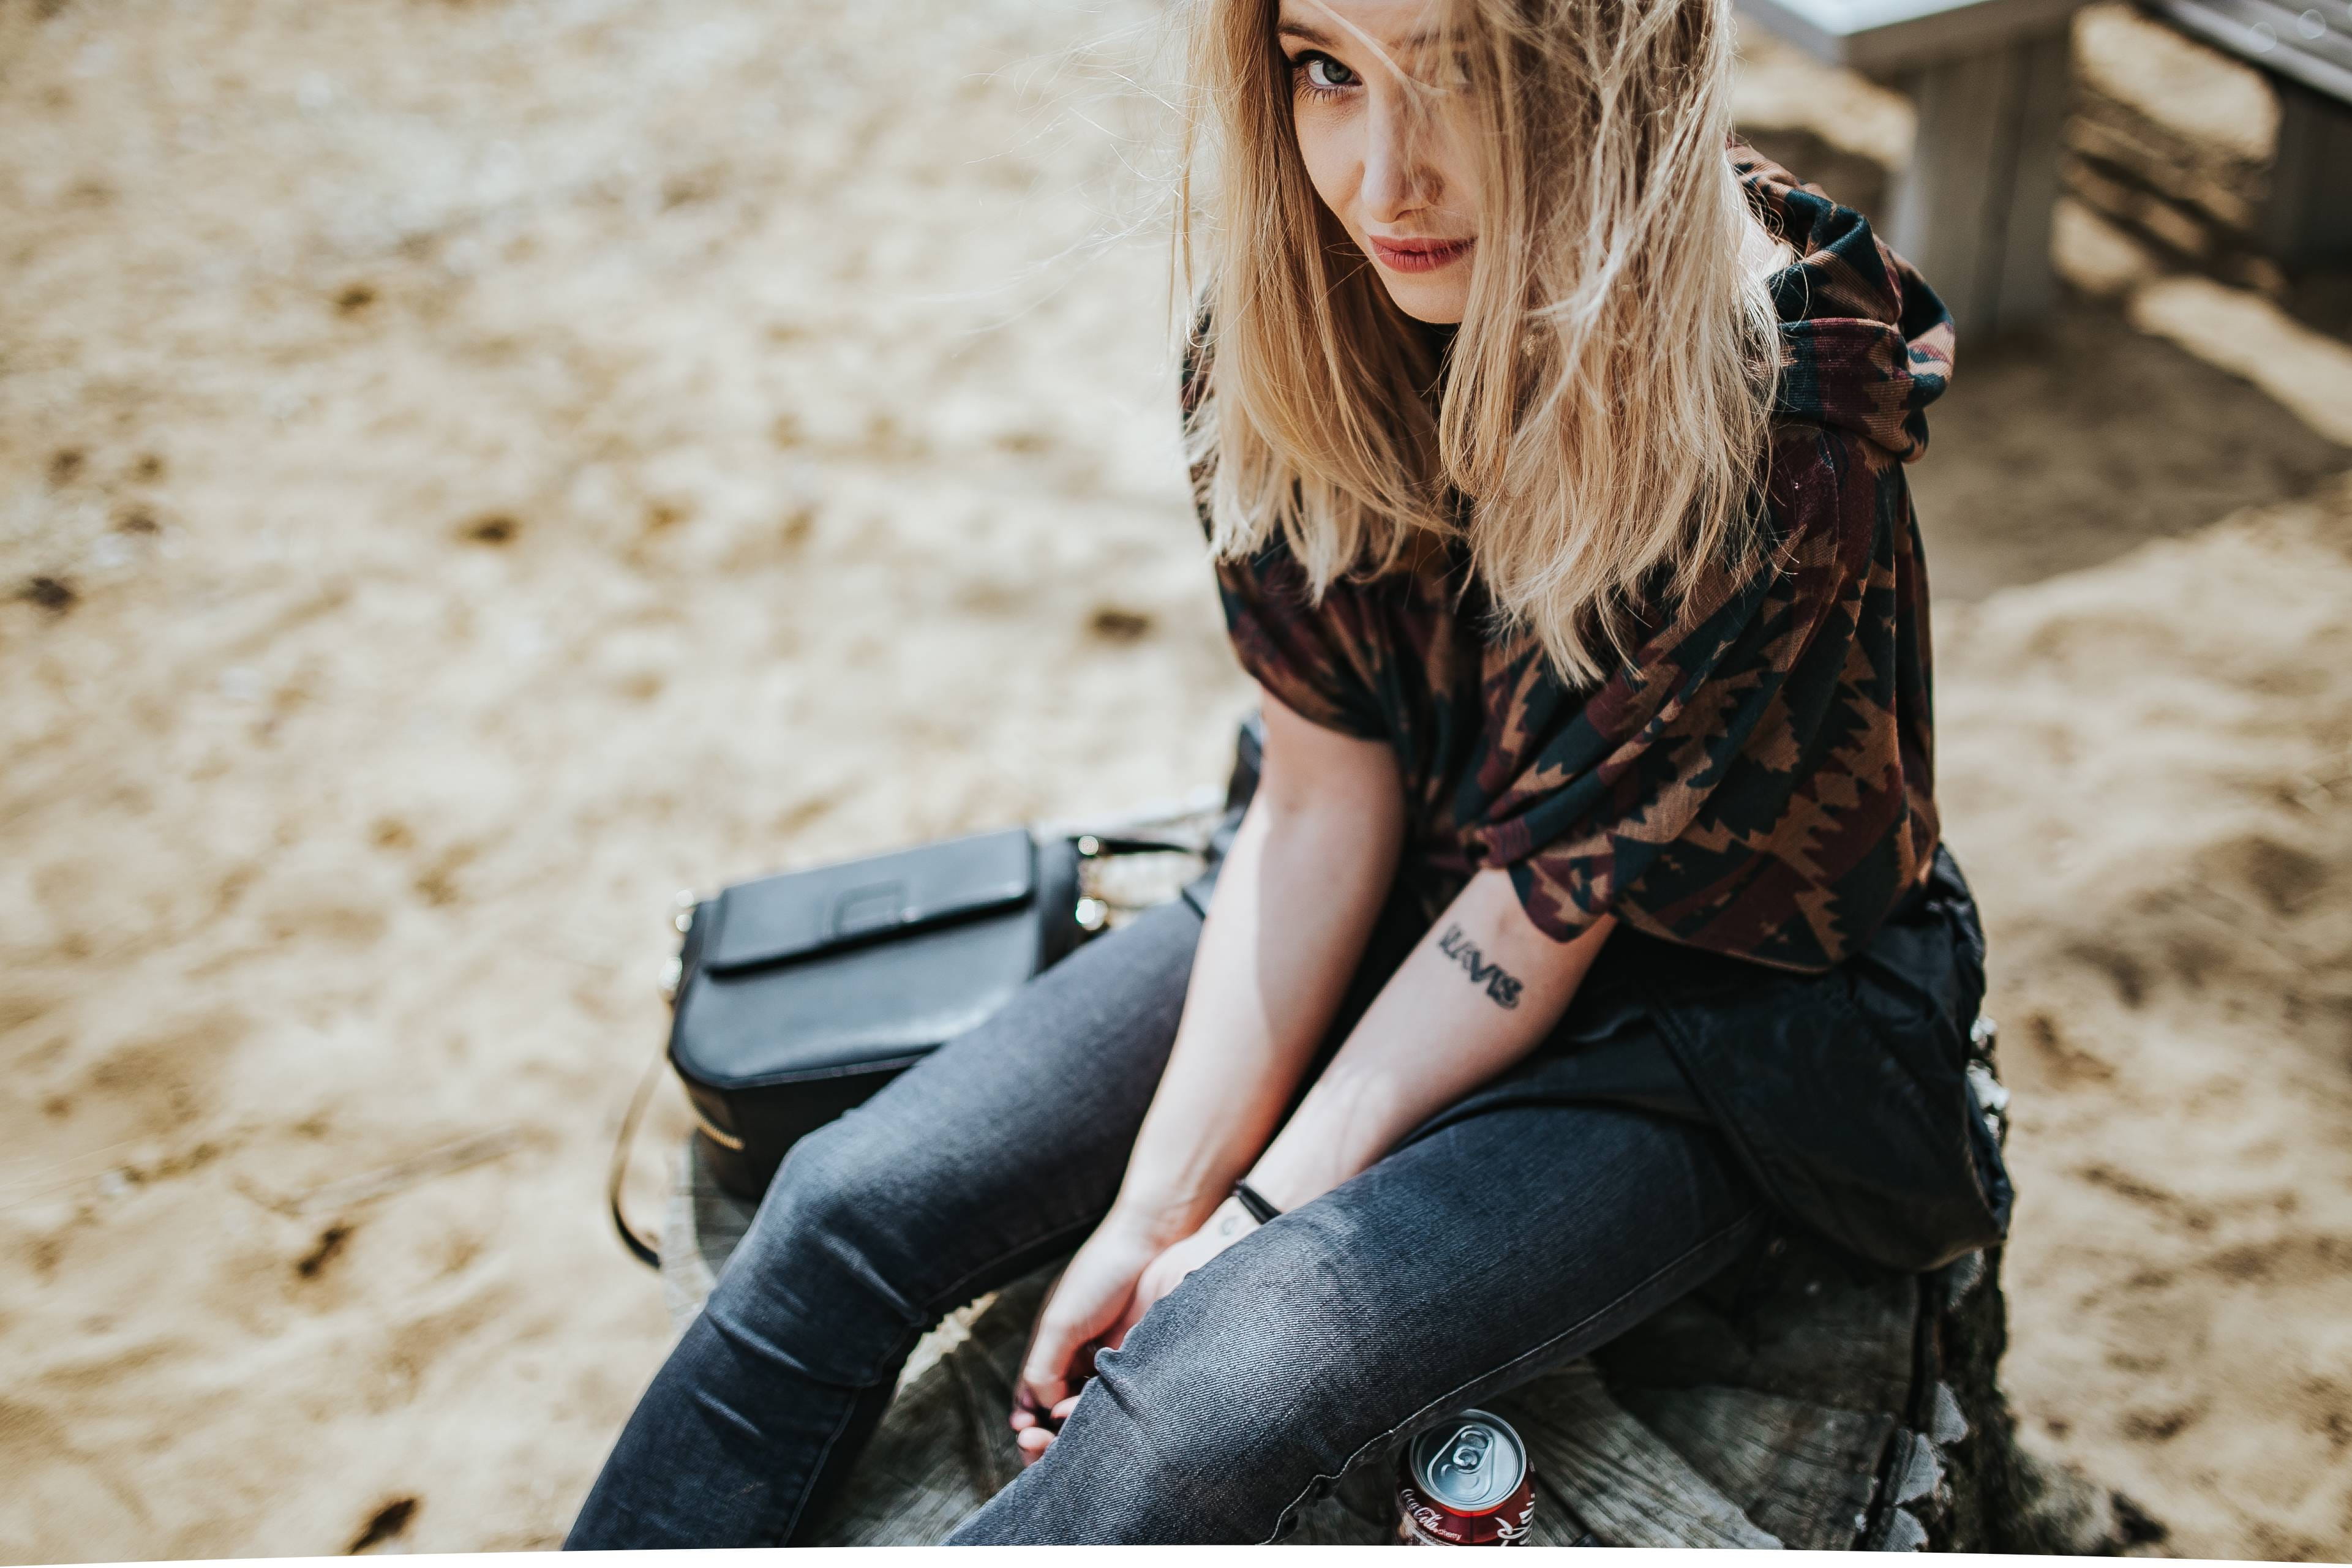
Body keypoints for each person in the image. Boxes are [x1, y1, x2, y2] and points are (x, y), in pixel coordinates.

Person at [564, 0, 2009, 1546]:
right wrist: (1153, 1205)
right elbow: (1325, 794)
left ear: (1617, 64)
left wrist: (1244, 1228)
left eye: (1460, 72)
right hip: (1400, 869)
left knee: (1208, 1395)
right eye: (1328, 69)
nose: (1386, 178)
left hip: (1712, 1018)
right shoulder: (1298, 315)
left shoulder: (1769, 406)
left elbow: (1540, 917)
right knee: (841, 1212)